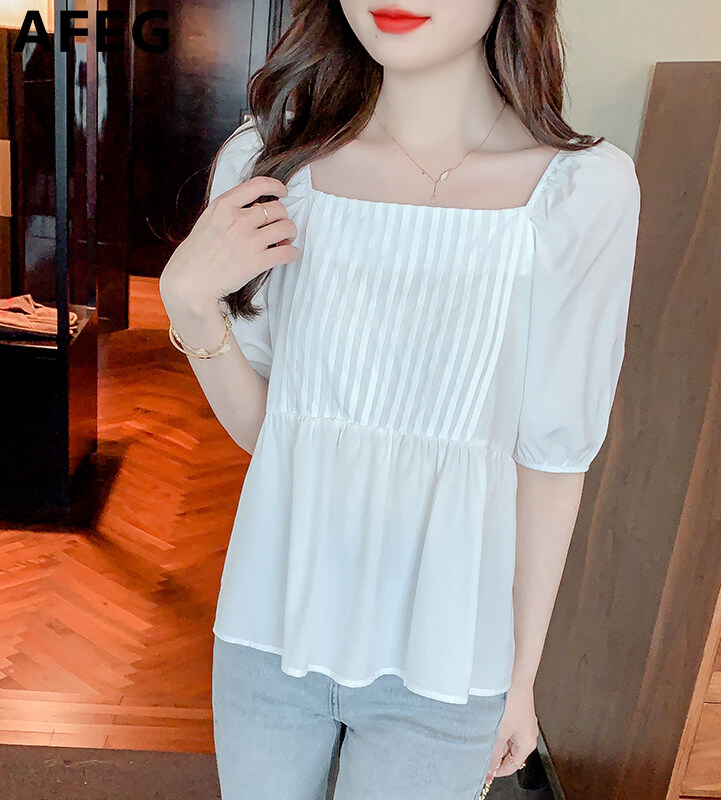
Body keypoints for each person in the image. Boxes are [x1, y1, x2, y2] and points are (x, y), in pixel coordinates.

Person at [159, 0, 641, 798]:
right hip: (269, 625)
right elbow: (271, 432)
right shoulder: (270, 163)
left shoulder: (580, 192)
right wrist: (188, 306)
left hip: (448, 656)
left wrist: (520, 679)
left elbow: (551, 463)